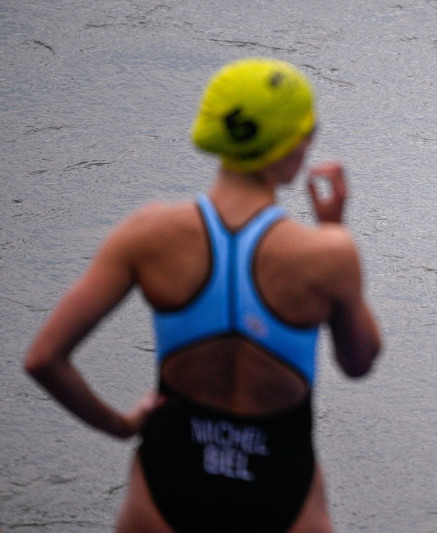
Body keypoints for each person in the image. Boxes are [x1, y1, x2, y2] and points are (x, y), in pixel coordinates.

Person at [24, 58, 382, 532]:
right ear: (293, 144)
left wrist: (122, 425)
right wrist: (335, 232)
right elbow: (359, 361)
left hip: (168, 476)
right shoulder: (327, 253)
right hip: (282, 485)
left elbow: (44, 358)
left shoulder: (147, 232)